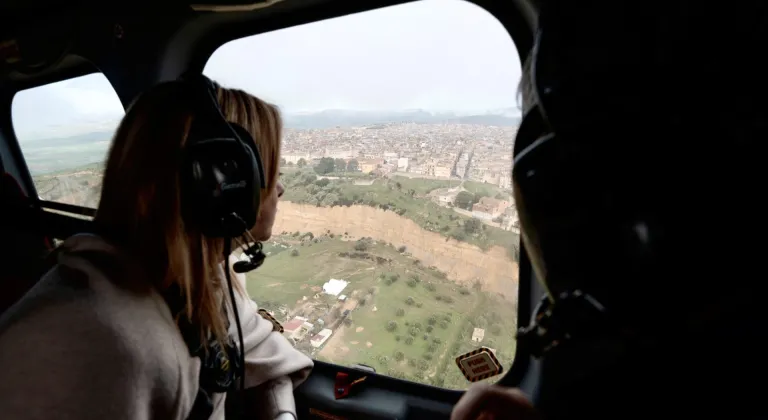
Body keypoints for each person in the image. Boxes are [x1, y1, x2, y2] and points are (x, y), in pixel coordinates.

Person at [0, 79, 313, 420]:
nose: (280, 188)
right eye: (271, 171)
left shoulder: (206, 279)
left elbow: (261, 351)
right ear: (223, 188)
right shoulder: (100, 343)